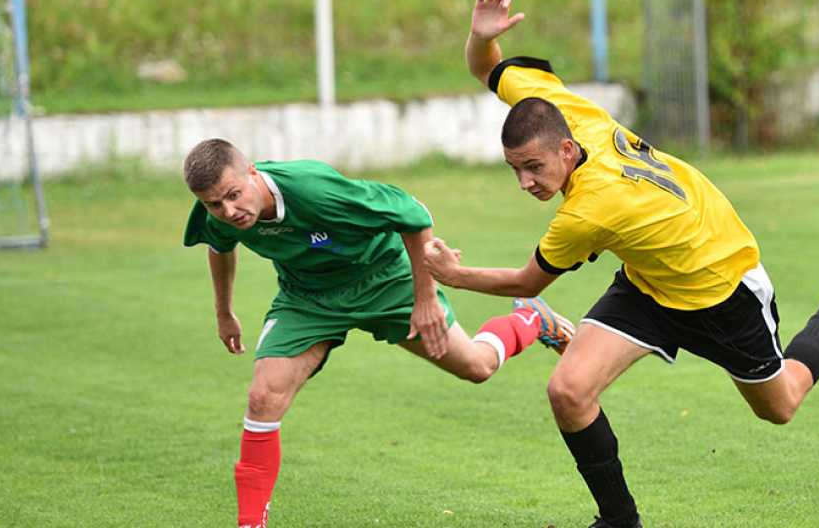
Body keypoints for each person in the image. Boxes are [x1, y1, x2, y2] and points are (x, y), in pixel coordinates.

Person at [422, 0, 819, 528]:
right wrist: (481, 38)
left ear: (567, 150)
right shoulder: (563, 113)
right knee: (569, 391)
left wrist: (453, 275)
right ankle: (621, 522)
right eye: (514, 169)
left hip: (720, 280)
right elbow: (488, 70)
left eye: (533, 167)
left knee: (781, 404)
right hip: (650, 280)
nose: (525, 182)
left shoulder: (591, 209)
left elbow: (527, 281)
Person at [181, 138, 574, 528]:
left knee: (476, 365)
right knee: (263, 396)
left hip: (385, 279)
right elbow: (219, 244)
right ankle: (250, 524)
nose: (228, 210)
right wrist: (224, 311)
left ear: (252, 173)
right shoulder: (219, 211)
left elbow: (414, 213)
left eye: (233, 195)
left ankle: (531, 319)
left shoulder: (313, 190)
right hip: (308, 298)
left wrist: (425, 299)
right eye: (214, 203)